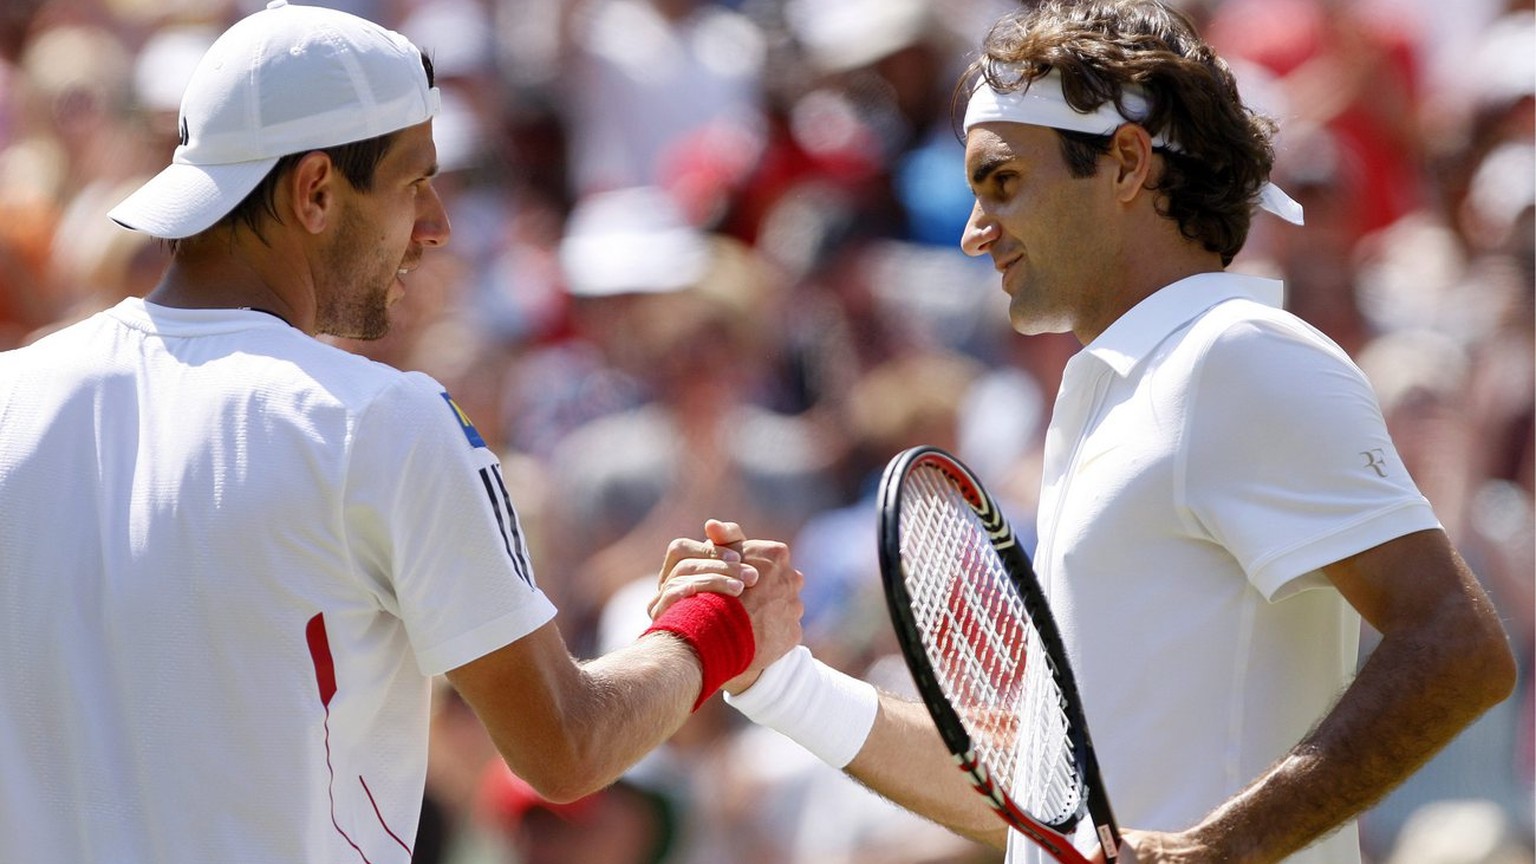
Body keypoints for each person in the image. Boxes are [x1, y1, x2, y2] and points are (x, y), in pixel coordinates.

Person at [708, 2, 1518, 862]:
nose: (974, 232)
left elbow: (1457, 647)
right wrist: (783, 681)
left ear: (1126, 163)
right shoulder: (1113, 396)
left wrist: (1220, 848)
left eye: (1004, 181)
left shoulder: (1237, 357)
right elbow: (1047, 803)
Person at [0, 3, 801, 862]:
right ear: (315, 191)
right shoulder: (380, 422)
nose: (437, 226)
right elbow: (567, 747)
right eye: (413, 183)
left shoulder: (11, 397)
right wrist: (714, 626)